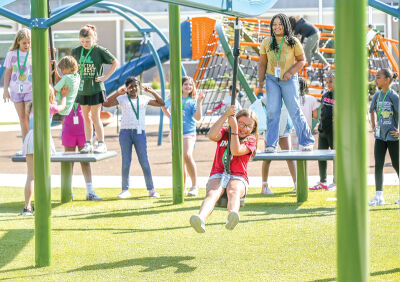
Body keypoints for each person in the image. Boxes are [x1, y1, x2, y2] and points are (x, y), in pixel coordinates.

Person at [189, 107, 258, 233]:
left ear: (253, 129)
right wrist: (225, 116)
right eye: (241, 123)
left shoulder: (251, 140)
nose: (244, 128)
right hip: (218, 173)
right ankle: (200, 218)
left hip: (238, 176)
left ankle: (232, 215)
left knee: (233, 190)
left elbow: (236, 151)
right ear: (234, 121)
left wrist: (235, 130)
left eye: (248, 126)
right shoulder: (225, 133)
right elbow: (211, 135)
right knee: (212, 193)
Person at [258, 13, 314, 153]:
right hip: (272, 79)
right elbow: (262, 63)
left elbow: (302, 60)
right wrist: (260, 82)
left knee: (294, 109)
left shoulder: (293, 41)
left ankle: (307, 141)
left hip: (288, 79)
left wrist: (290, 72)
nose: (277, 27)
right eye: (274, 24)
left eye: (280, 24)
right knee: (272, 111)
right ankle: (271, 144)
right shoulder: (266, 42)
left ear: (286, 25)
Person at [103, 76, 164, 198]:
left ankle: (151, 189)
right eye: (130, 86)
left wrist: (152, 91)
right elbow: (106, 103)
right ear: (127, 88)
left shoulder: (144, 98)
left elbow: (161, 103)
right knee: (126, 162)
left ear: (139, 87)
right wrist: (117, 93)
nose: (134, 88)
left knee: (144, 161)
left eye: (136, 86)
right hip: (125, 133)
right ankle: (125, 190)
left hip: (139, 133)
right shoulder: (122, 98)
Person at [52, 56, 103, 201]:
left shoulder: (78, 81)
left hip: (82, 128)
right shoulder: (66, 87)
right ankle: (68, 191)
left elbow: (70, 75)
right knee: (69, 161)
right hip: (68, 128)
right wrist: (55, 67)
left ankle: (90, 191)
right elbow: (59, 79)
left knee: (85, 160)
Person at [21, 85, 68, 215]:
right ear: (50, 95)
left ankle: (27, 207)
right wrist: (64, 96)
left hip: (30, 137)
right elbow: (62, 107)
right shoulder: (50, 107)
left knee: (31, 175)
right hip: (43, 138)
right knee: (44, 174)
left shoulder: (31, 106)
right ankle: (42, 205)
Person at [71, 24, 119, 154]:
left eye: (87, 41)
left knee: (95, 117)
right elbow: (71, 67)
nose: (85, 44)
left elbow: (115, 62)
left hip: (96, 89)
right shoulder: (76, 51)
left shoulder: (99, 51)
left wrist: (106, 77)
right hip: (82, 90)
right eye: (82, 41)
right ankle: (88, 143)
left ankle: (101, 143)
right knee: (85, 117)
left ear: (94, 38)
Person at [163, 76, 205, 196]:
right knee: (180, 160)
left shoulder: (193, 101)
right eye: (186, 84)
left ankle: (195, 186)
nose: (188, 87)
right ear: (181, 86)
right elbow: (163, 107)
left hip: (188, 132)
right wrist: (170, 116)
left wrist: (199, 102)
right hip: (175, 132)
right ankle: (183, 186)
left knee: (187, 155)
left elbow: (197, 118)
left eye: (190, 85)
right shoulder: (174, 98)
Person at [368, 68, 399, 206]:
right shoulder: (376, 95)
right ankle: (379, 197)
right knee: (378, 165)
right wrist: (373, 125)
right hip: (380, 136)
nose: (376, 79)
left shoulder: (394, 96)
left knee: (397, 165)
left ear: (387, 80)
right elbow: (372, 111)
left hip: (393, 136)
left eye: (378, 77)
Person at [3, 28, 32, 154]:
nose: (27, 45)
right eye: (24, 43)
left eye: (29, 42)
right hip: (15, 89)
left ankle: (32, 144)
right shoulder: (11, 55)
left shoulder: (33, 53)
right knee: (22, 118)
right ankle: (25, 146)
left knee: (29, 117)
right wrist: (5, 90)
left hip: (30, 89)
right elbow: (7, 72)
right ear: (18, 42)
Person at [261, 103, 297, 194]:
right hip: (272, 125)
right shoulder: (271, 92)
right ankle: (264, 186)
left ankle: (297, 185)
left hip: (282, 125)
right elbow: (263, 102)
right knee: (268, 157)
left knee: (288, 156)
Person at [310, 73, 336, 191]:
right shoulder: (325, 95)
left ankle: (336, 181)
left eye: (330, 81)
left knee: (336, 156)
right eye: (327, 82)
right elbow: (323, 112)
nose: (328, 84)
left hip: (334, 131)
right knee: (321, 156)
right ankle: (323, 181)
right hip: (323, 130)